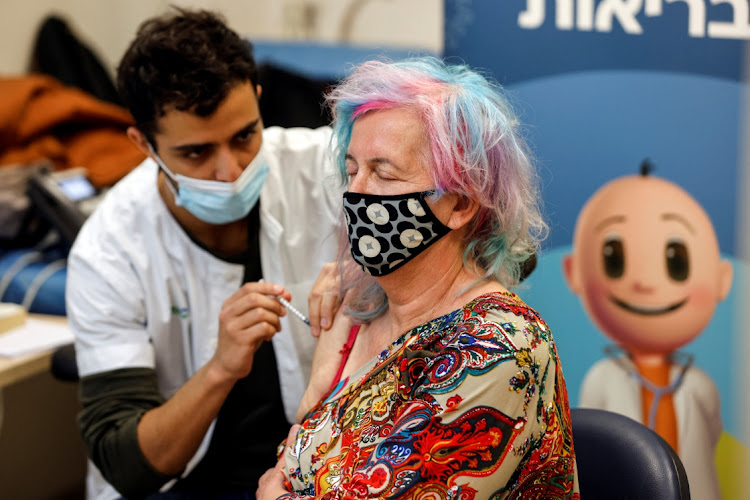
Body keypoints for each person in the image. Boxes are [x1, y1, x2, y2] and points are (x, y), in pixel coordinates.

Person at [256, 56, 580, 499]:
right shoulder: (362, 316)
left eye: (384, 174)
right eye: (352, 171)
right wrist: (320, 383)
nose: (356, 194)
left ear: (461, 205)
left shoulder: (500, 346)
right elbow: (299, 459)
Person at [65, 8, 342, 499]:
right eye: (195, 153)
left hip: (313, 468)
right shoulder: (109, 250)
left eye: (244, 136)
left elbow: (498, 244)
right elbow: (127, 465)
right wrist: (220, 369)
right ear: (143, 143)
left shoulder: (329, 168)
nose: (230, 171)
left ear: (258, 102)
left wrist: (365, 272)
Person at [563, 163, 732, 500]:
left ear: (722, 279)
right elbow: (589, 449)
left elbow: (710, 435)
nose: (643, 283)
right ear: (574, 272)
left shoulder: (700, 385)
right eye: (615, 258)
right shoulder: (602, 377)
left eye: (676, 260)